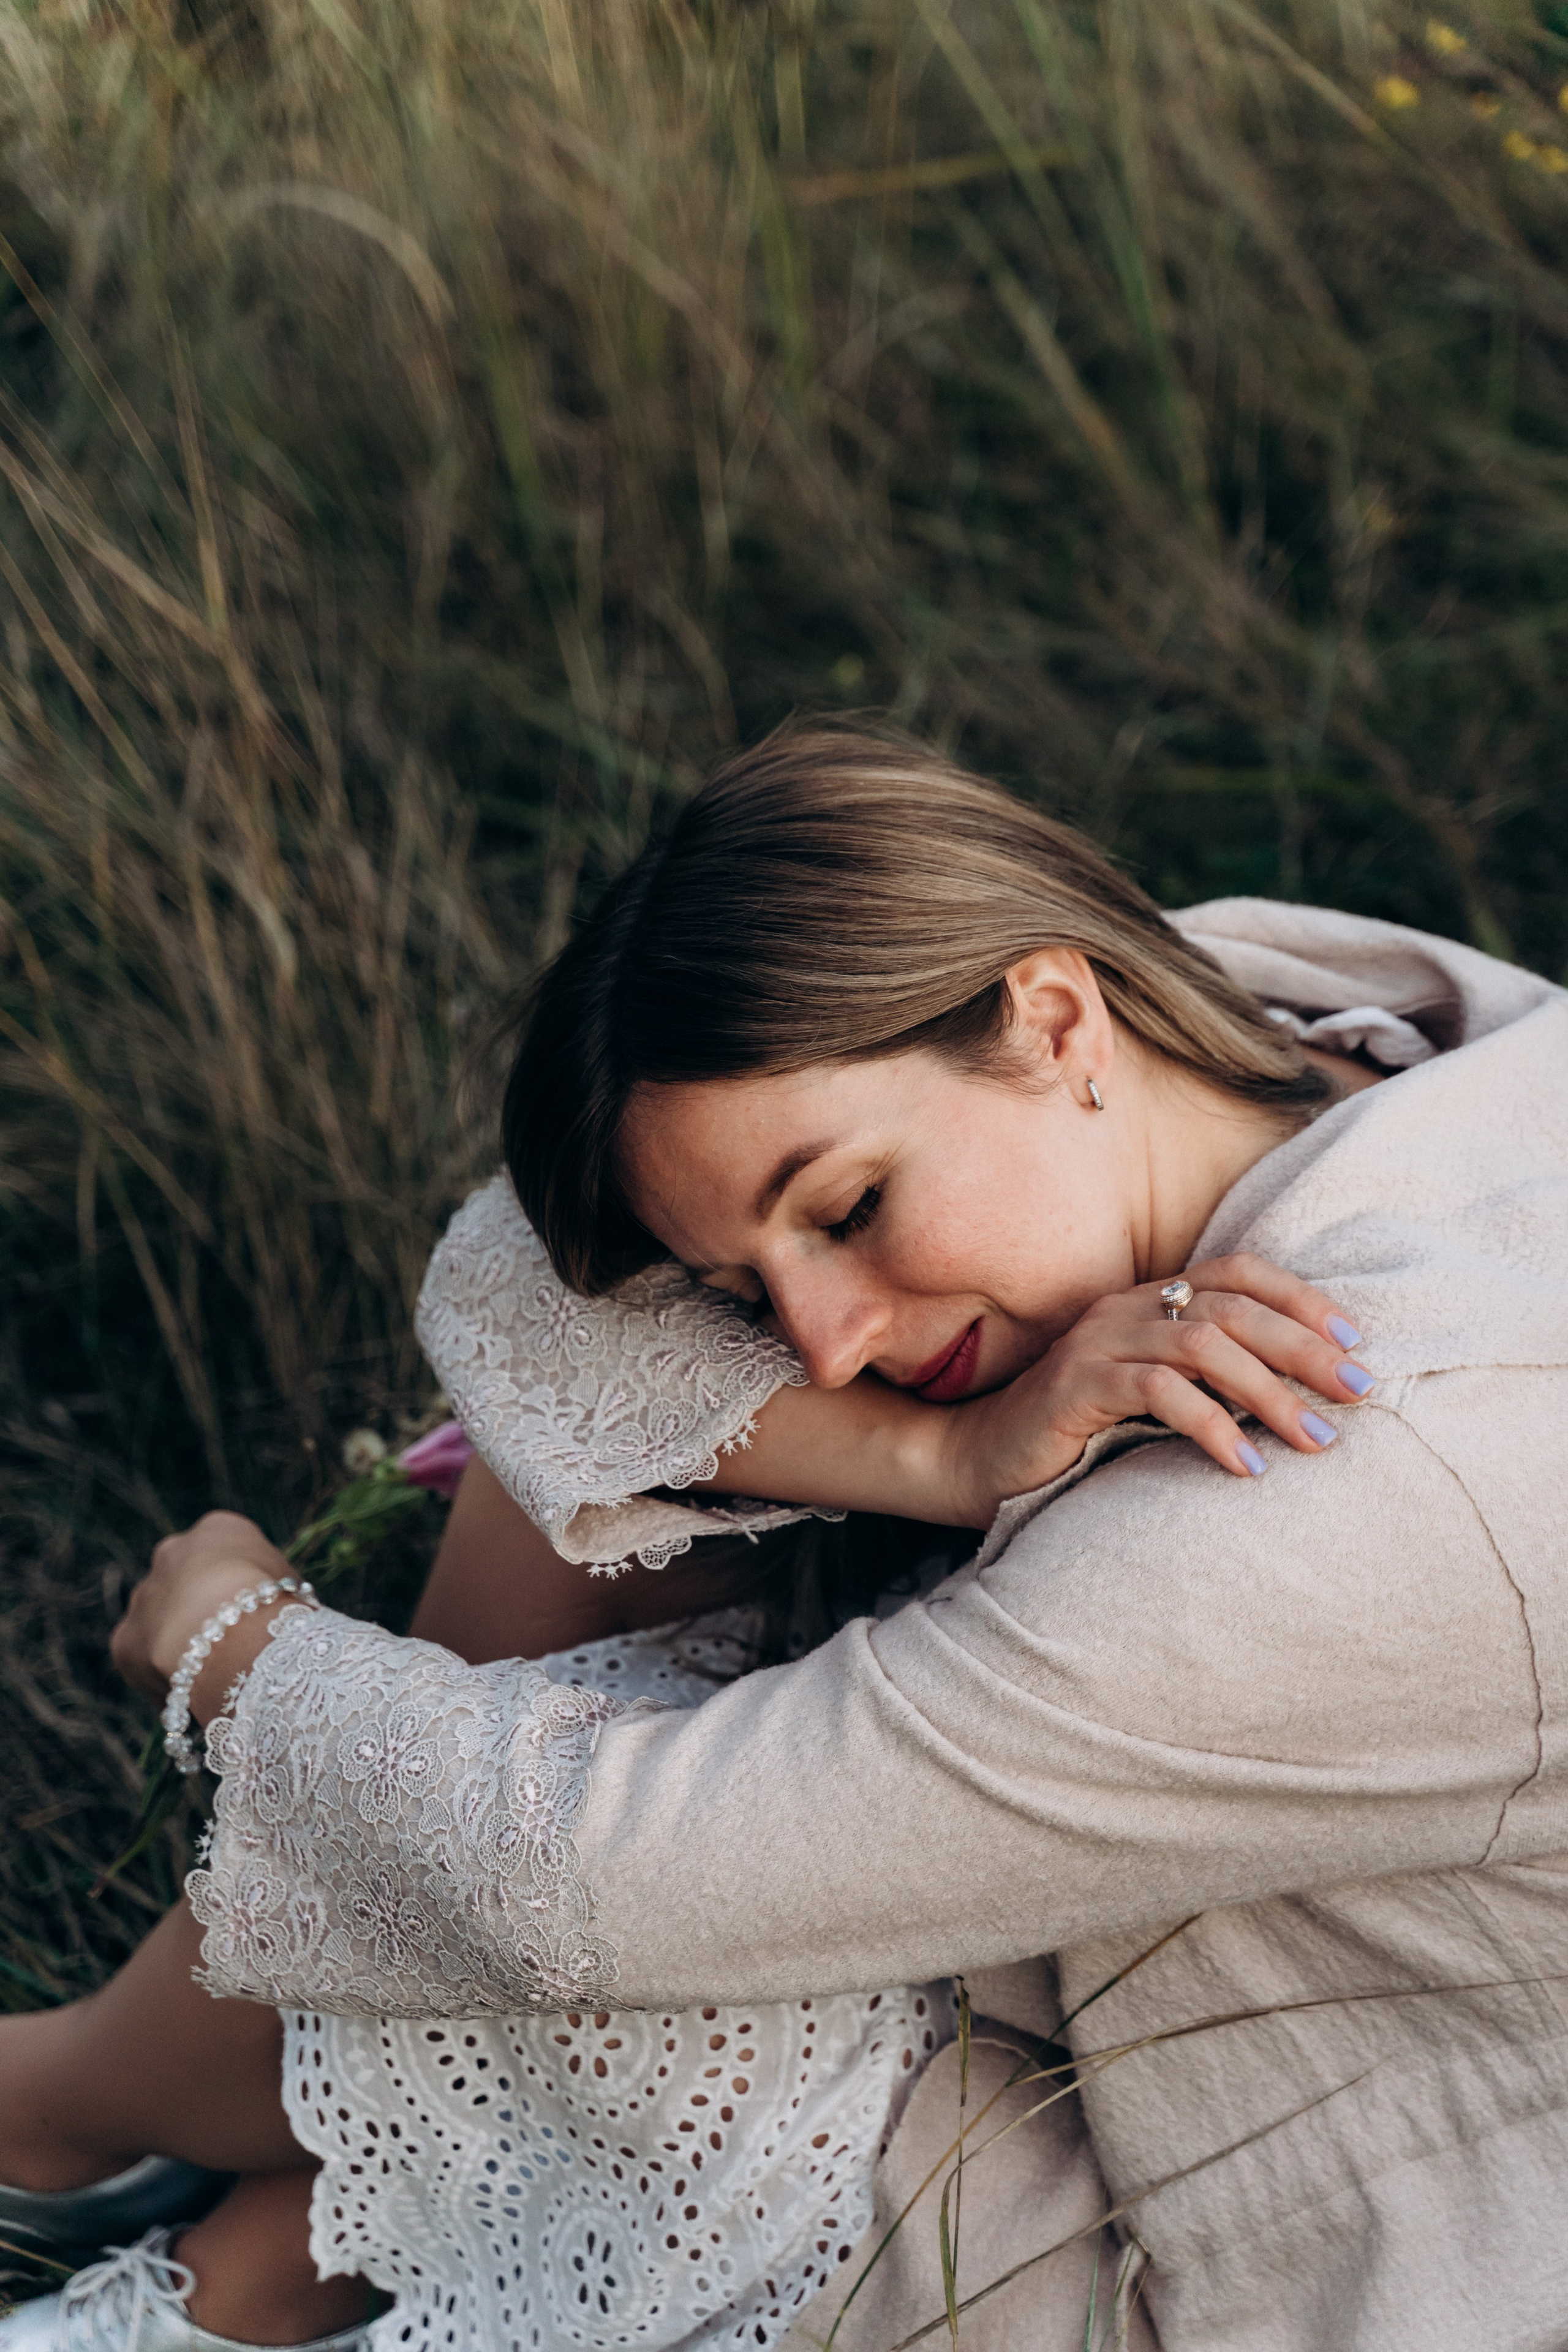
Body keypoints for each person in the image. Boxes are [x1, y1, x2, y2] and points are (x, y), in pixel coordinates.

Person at [4, 725, 1565, 2352]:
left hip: (1285, 2201)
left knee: (557, 1858)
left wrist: (232, 1648)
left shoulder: (1336, 1467)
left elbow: (595, 1886)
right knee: (608, 1458)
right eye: (761, 1277)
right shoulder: (1291, 1021)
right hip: (1129, 1939)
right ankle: (216, 2204)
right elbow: (528, 1277)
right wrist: (940, 1451)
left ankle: (110, 2154)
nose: (821, 1341)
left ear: (1052, 1018)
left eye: (848, 1208)